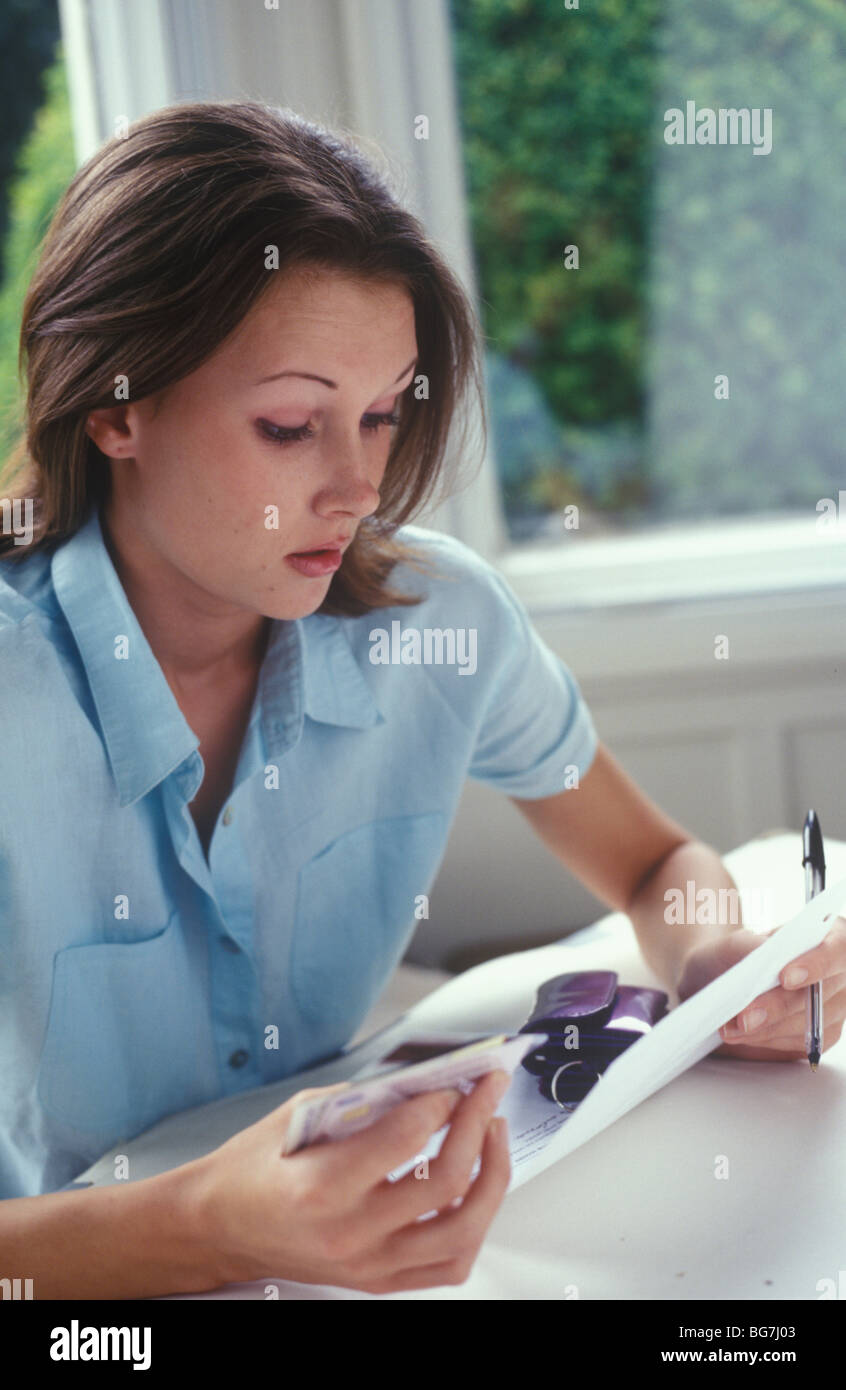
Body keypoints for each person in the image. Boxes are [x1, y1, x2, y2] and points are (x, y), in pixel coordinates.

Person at [0, 101, 842, 1300]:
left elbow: (657, 864)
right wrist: (217, 1225)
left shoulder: (442, 625)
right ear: (116, 405)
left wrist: (717, 957)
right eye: (291, 424)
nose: (358, 485)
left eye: (385, 413)